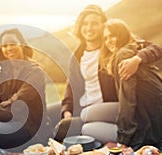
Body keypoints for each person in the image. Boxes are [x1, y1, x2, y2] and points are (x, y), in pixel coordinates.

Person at [54, 4, 162, 144]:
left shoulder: (116, 46)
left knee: (70, 129)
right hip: (87, 108)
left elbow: (153, 48)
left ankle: (117, 137)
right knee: (60, 120)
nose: (89, 28)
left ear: (103, 25)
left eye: (94, 23)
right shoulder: (78, 55)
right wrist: (67, 110)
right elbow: (71, 86)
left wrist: (137, 59)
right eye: (85, 24)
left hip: (112, 106)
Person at [100, 18, 162, 150]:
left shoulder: (123, 56)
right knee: (87, 114)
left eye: (112, 36)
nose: (108, 41)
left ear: (122, 34)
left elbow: (127, 100)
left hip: (147, 127)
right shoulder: (134, 48)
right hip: (154, 116)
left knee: (88, 128)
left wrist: (123, 140)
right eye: (105, 38)